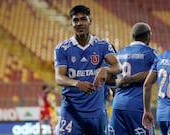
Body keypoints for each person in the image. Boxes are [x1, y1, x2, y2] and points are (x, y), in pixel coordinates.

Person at [54, 5, 121, 135]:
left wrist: (106, 70)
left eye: (83, 19)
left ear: (90, 21)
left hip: (97, 112)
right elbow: (59, 77)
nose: (79, 23)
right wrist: (77, 83)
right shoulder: (62, 48)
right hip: (71, 112)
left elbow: (118, 66)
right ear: (71, 23)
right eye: (75, 20)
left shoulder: (102, 45)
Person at [108, 22, 158, 135]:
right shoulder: (151, 53)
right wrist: (130, 79)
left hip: (118, 105)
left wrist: (119, 82)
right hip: (137, 105)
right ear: (148, 36)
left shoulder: (119, 53)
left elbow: (109, 79)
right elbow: (157, 72)